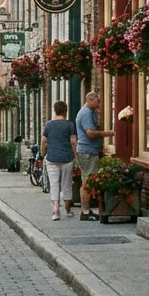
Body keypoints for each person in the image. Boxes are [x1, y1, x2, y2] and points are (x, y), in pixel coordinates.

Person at [76, 92, 113, 221]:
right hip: (88, 152)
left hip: (89, 151)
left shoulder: (88, 112)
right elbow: (90, 133)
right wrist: (109, 133)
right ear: (90, 100)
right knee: (88, 181)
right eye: (98, 101)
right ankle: (85, 212)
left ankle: (86, 210)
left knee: (88, 180)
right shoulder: (86, 113)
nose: (99, 104)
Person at [41, 101, 77, 221]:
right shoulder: (69, 125)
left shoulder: (48, 125)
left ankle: (56, 210)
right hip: (67, 158)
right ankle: (67, 209)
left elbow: (44, 141)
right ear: (66, 111)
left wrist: (43, 153)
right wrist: (76, 156)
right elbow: (73, 142)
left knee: (54, 184)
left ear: (54, 110)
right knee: (66, 183)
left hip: (52, 158)